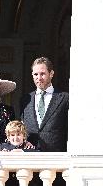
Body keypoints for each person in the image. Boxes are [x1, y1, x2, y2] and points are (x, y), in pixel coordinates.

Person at [20, 57, 68, 186]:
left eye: (42, 74)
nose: (39, 77)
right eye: (35, 74)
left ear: (51, 74)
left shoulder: (65, 98)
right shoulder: (25, 99)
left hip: (56, 162)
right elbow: (22, 127)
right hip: (30, 161)